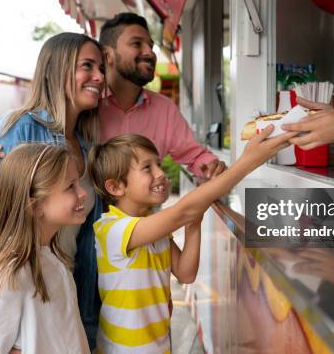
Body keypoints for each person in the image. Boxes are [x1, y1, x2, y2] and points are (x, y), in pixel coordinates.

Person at [0, 32, 105, 352]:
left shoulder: (86, 142)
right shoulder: (19, 126)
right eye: (87, 66)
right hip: (10, 298)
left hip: (55, 290)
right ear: (56, 69)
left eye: (101, 68)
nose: (99, 77)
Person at [87, 128, 295, 352]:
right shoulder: (111, 230)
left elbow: (185, 273)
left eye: (158, 164)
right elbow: (181, 212)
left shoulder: (152, 227)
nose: (161, 173)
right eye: (147, 167)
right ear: (116, 187)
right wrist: (246, 162)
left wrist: (193, 224)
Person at [0, 13, 226, 180]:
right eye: (137, 44)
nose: (149, 52)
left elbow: (195, 156)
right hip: (78, 241)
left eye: (151, 46)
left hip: (138, 239)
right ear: (108, 54)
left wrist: (212, 166)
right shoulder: (84, 103)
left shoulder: (164, 109)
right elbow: (37, 130)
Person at [0, 144, 90, 354]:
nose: (83, 193)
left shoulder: (53, 260)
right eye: (70, 186)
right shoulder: (7, 277)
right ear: (35, 206)